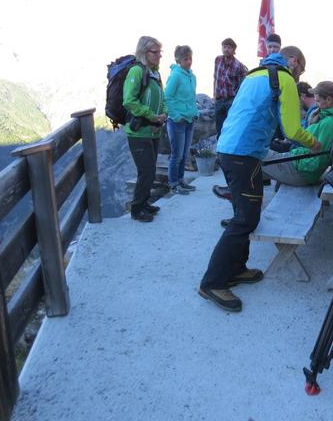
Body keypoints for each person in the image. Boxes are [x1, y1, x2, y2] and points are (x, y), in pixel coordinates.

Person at [199, 46, 321, 312]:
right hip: (244, 153)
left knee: (246, 211)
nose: (299, 76)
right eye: (300, 69)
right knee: (246, 218)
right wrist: (313, 142)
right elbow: (291, 128)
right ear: (294, 60)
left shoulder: (257, 73)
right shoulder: (284, 77)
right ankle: (212, 282)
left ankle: (237, 268)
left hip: (231, 149)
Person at [262, 81, 333, 186]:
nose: (315, 104)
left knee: (254, 156)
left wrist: (294, 157)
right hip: (299, 162)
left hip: (302, 172)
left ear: (328, 100)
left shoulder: (332, 123)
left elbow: (319, 160)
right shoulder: (329, 117)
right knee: (254, 162)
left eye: (318, 101)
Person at [123, 36, 168, 222]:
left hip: (153, 131)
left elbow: (162, 98)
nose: (159, 56)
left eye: (160, 52)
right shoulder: (137, 72)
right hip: (139, 132)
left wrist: (164, 112)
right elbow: (129, 101)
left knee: (149, 170)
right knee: (147, 170)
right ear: (144, 52)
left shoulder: (155, 74)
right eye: (155, 52)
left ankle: (144, 203)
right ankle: (137, 209)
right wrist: (151, 115)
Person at [165, 45, 198, 195]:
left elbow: (191, 98)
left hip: (189, 120)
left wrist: (195, 112)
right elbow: (167, 97)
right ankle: (173, 184)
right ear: (178, 60)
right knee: (176, 155)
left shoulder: (192, 76)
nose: (189, 61)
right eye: (186, 59)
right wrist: (176, 116)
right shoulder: (176, 75)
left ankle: (181, 180)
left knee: (185, 155)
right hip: (177, 121)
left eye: (190, 58)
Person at [213, 38, 247, 137]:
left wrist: (238, 100)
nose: (226, 49)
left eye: (229, 47)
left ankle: (229, 150)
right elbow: (215, 77)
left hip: (231, 100)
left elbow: (242, 85)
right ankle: (219, 150)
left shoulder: (238, 65)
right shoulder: (218, 60)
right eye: (224, 47)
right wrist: (214, 94)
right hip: (219, 99)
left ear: (233, 50)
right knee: (219, 127)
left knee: (231, 127)